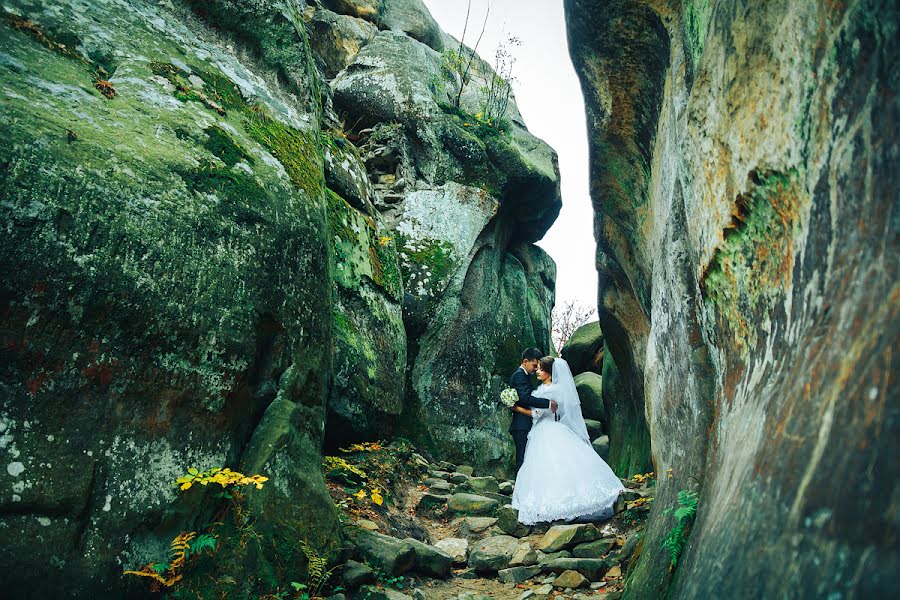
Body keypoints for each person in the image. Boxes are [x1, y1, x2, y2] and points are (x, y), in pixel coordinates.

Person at [510, 356, 624, 524]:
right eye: (538, 368)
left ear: (550, 373)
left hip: (546, 430)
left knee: (552, 465)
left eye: (541, 369)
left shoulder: (550, 391)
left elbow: (538, 414)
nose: (537, 372)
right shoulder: (549, 389)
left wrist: (516, 408)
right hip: (546, 429)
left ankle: (558, 504)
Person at [509, 348, 558, 473]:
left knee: (526, 458)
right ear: (525, 361)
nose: (536, 369)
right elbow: (525, 398)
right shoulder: (519, 375)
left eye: (539, 368)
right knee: (522, 458)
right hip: (521, 424)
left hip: (526, 424)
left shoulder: (524, 376)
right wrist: (547, 403)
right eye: (535, 365)